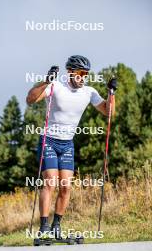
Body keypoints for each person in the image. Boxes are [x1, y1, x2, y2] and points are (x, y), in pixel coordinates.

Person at [26, 55, 117, 239]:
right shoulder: (56, 86)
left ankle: (56, 226)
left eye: (86, 74)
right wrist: (46, 81)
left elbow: (108, 113)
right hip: (49, 140)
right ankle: (44, 227)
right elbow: (30, 99)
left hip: (67, 144)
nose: (83, 77)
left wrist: (111, 93)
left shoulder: (89, 92)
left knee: (66, 187)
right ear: (70, 72)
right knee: (50, 181)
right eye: (80, 73)